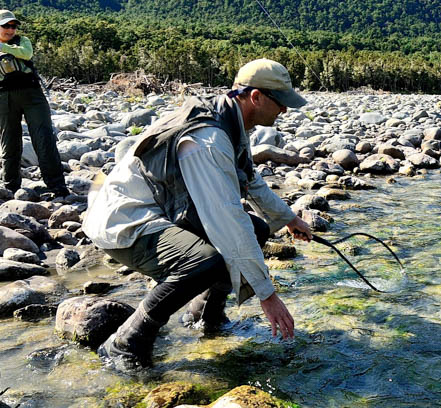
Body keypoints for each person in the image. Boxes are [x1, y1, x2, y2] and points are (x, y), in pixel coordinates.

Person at [82, 58, 314, 369]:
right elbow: (227, 222)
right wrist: (267, 295)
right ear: (256, 97)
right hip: (125, 222)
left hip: (158, 210)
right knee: (205, 260)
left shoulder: (231, 119)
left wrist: (289, 218)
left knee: (257, 230)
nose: (284, 110)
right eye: (281, 101)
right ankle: (126, 342)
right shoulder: (209, 141)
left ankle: (205, 316)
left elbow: (250, 179)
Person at [0, 10, 69, 198]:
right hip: (3, 97)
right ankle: (11, 187)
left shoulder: (22, 41)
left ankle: (57, 187)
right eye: (6, 26)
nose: (11, 30)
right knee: (9, 143)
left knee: (44, 140)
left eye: (13, 26)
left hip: (32, 95)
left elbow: (26, 54)